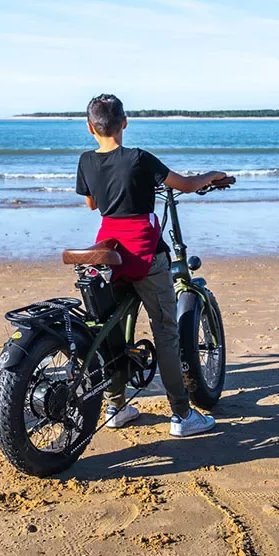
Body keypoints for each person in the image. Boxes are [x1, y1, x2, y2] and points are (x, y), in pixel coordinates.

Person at [75, 94, 227, 437]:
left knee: (111, 331)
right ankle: (182, 415)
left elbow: (91, 203)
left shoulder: (85, 160)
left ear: (90, 128)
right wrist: (211, 175)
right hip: (143, 252)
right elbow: (185, 184)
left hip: (108, 252)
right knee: (166, 333)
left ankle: (115, 406)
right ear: (125, 122)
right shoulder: (139, 158)